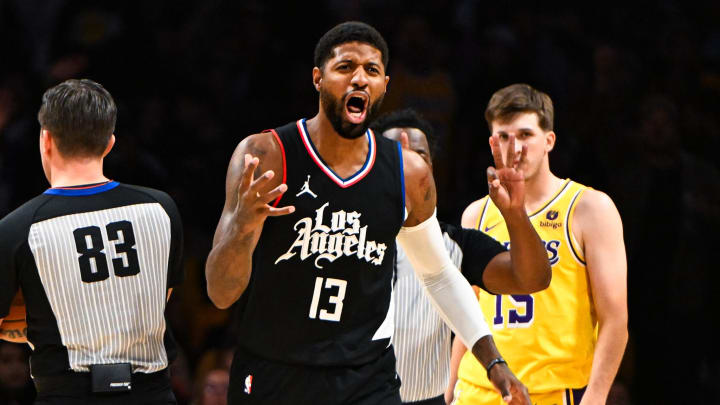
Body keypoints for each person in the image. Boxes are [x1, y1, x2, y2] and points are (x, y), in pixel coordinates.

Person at [205, 22, 531, 405]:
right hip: (277, 371)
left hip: (365, 379)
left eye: (371, 71)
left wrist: (494, 363)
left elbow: (438, 275)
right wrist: (243, 227)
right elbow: (220, 294)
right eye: (345, 68)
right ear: (318, 78)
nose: (359, 79)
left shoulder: (408, 173)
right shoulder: (267, 154)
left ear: (385, 86)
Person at [0, 79, 184, 404]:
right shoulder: (162, 209)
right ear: (110, 142)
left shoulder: (17, 228)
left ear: (46, 140)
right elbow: (163, 297)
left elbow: (7, 324)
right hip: (153, 394)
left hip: (67, 394)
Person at [449, 84, 628, 405]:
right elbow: (468, 311)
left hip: (551, 391)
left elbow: (615, 320)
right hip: (476, 388)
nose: (514, 147)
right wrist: (449, 389)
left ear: (549, 141)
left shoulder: (589, 208)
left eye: (525, 135)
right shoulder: (476, 213)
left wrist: (597, 396)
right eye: (503, 136)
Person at [371, 108, 551, 405]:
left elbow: (532, 278)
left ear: (430, 172)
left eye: (418, 156)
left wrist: (516, 214)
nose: (406, 166)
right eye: (394, 156)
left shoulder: (454, 244)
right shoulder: (342, 238)